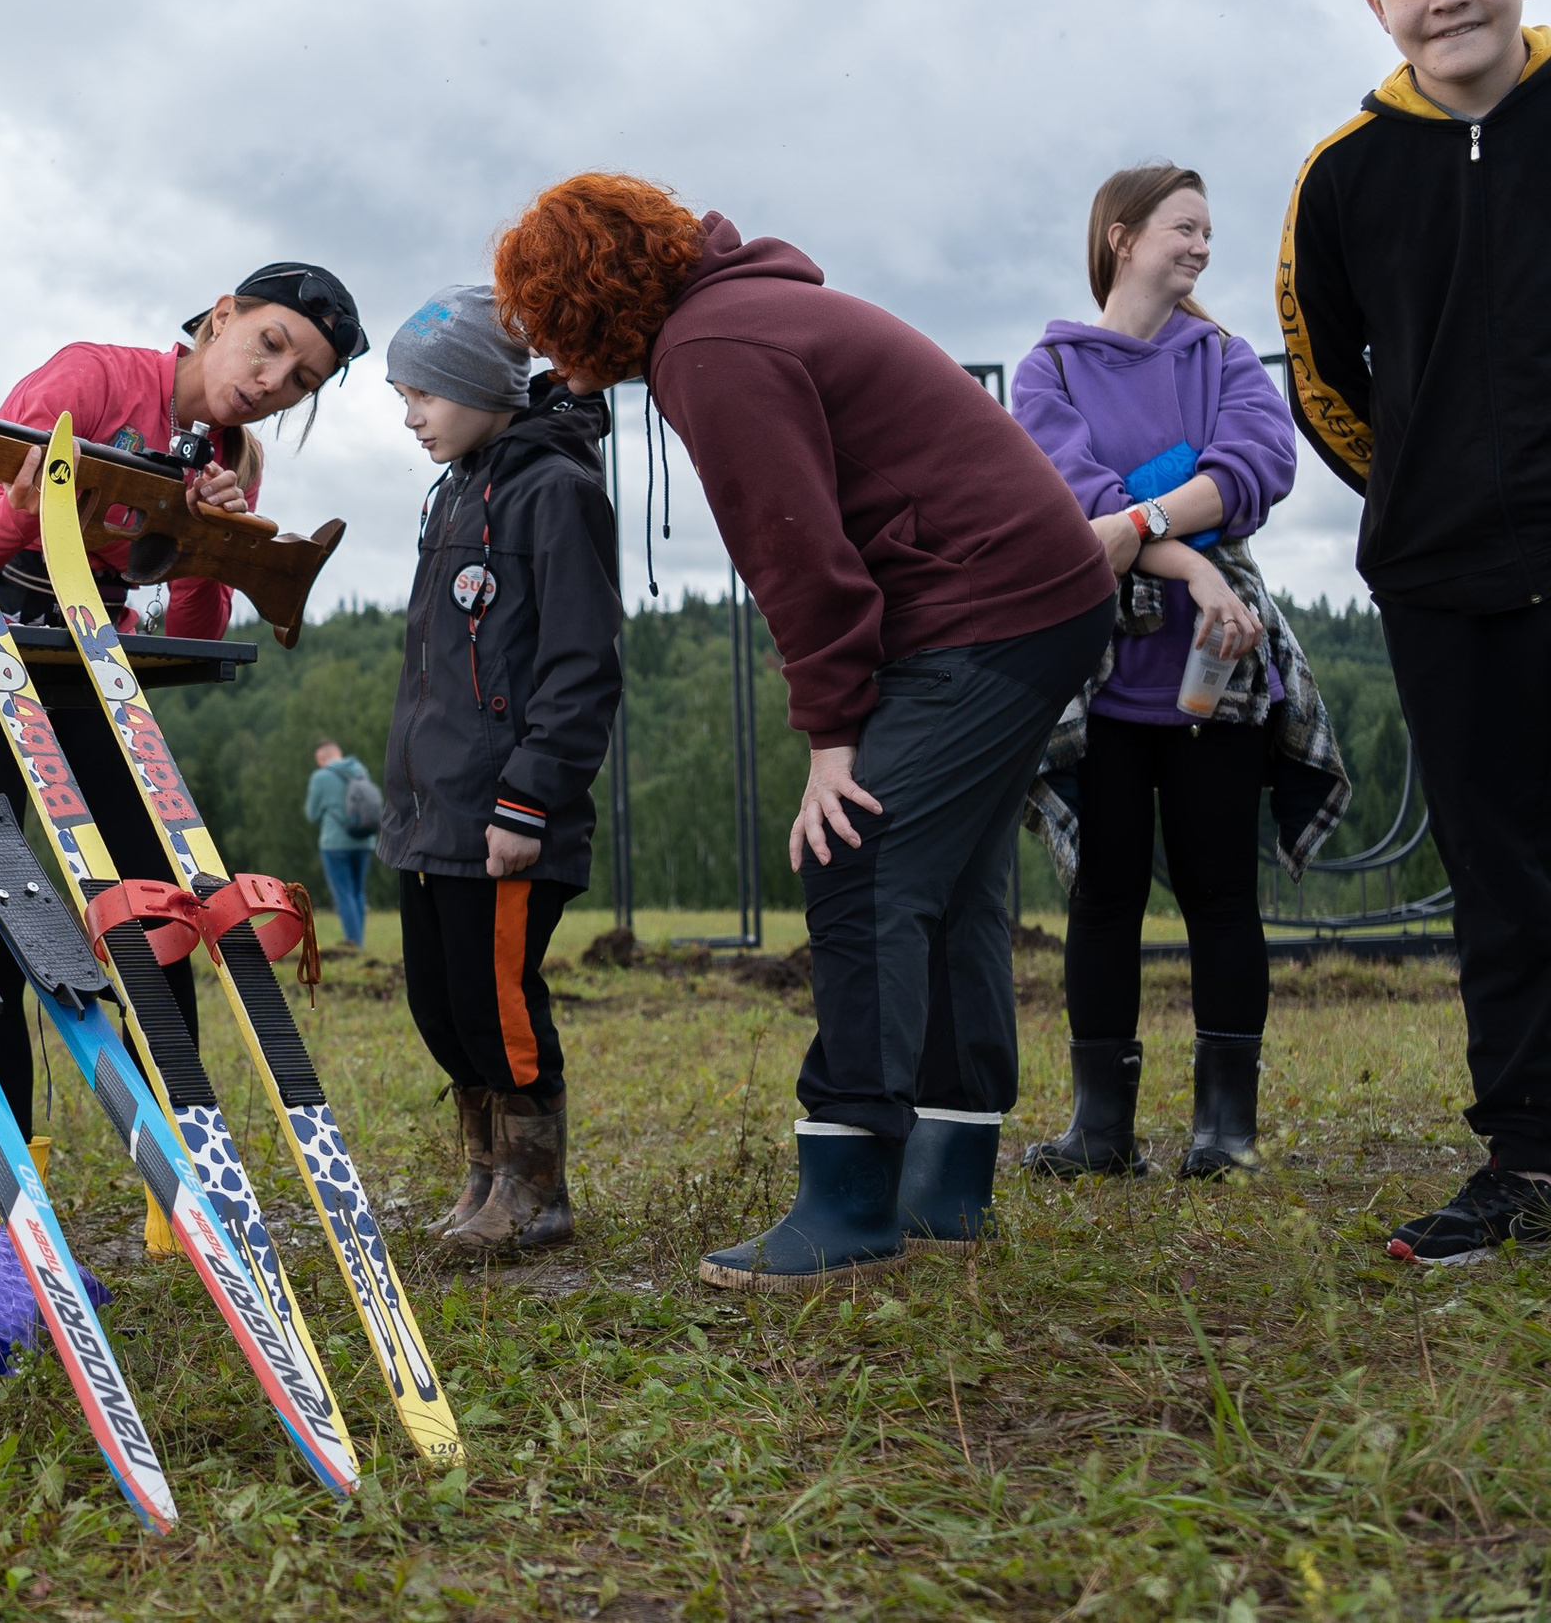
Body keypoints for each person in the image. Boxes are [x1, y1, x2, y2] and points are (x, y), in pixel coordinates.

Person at [497, 175, 1118, 1291]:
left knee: (859, 854)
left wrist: (832, 739)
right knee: (950, 881)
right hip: (1034, 596)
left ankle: (848, 1201)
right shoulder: (744, 316)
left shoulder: (713, 347)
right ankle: (948, 1180)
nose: (542, 352)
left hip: (989, 606)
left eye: (542, 316)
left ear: (586, 295)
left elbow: (796, 554)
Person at [0, 263, 367, 1130]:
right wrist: (25, 510)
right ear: (224, 314)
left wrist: (208, 540)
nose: (273, 381)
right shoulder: (91, 377)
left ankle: (186, 1146)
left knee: (154, 901)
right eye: (270, 345)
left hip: (94, 658)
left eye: (301, 379)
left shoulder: (236, 456)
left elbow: (194, 640)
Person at [1283, 0, 1551, 1263]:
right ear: (1376, 0)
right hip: (1445, 574)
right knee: (1498, 867)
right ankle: (1530, 1154)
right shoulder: (1342, 174)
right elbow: (1320, 365)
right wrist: (1415, 490)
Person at [1011, 164, 1346, 1186]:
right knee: (1104, 898)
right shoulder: (1049, 370)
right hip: (1097, 680)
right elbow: (1070, 501)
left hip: (1218, 673)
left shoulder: (1227, 358)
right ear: (1120, 235)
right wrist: (1195, 547)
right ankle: (1099, 1132)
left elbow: (1259, 466)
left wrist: (1142, 517)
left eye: (1207, 232)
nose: (1201, 247)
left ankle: (1223, 1134)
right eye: (1181, 228)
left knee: (1218, 895)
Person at [377, 284, 620, 1253]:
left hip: (506, 820)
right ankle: (482, 1182)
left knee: (499, 1011)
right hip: (431, 817)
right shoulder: (459, 490)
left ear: (482, 385)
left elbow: (578, 665)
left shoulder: (553, 492)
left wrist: (526, 800)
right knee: (443, 1010)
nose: (411, 417)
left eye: (424, 395)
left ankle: (535, 1192)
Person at [302, 739, 376, 948]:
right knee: (357, 891)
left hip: (335, 843)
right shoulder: (360, 770)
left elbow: (312, 813)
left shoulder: (321, 777)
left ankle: (354, 942)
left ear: (322, 758)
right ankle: (358, 938)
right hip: (364, 840)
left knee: (343, 893)